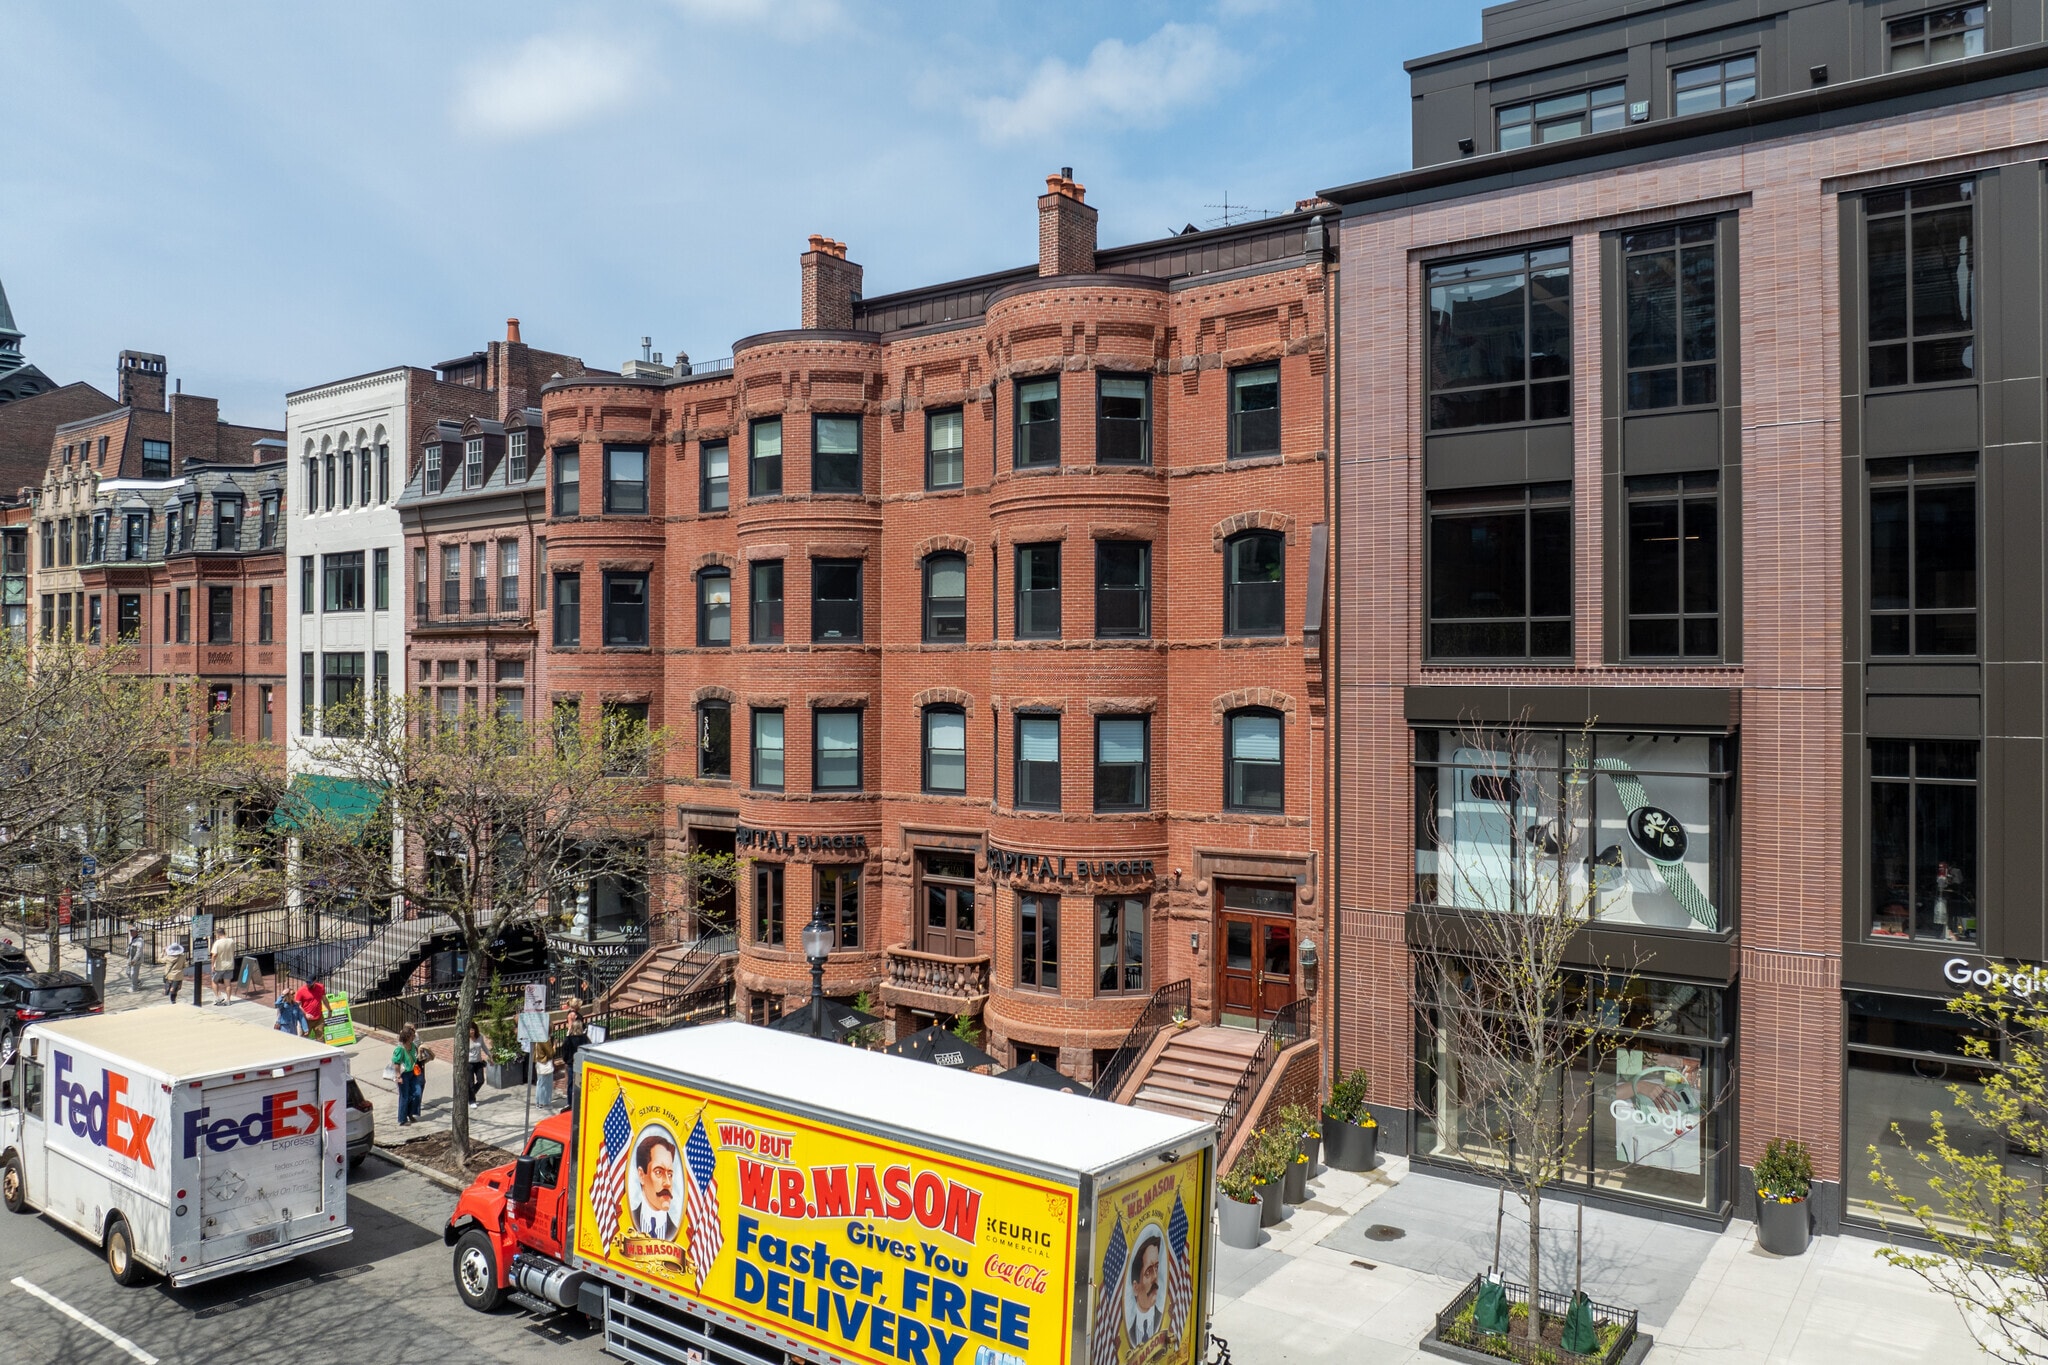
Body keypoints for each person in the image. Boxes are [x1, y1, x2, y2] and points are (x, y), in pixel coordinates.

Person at [629, 1132, 680, 1240]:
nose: (667, 1183)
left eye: (670, 1174)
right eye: (658, 1172)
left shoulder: (675, 1232)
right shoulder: (627, 1220)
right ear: (642, 1175)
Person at [1124, 1228, 1165, 1347]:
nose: (1155, 1277)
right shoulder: (1129, 1332)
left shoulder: (1162, 1319)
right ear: (1135, 1288)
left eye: (1156, 1268)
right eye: (1148, 1272)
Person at [558, 1001, 590, 1114]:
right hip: (581, 1063)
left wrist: (567, 1060)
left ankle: (570, 1103)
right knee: (581, 1083)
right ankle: (580, 1101)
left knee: (571, 1084)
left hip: (572, 1063)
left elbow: (565, 1053)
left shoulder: (568, 1040)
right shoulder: (585, 1039)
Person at [393, 1023, 428, 1126]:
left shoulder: (413, 1046)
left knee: (417, 1093)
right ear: (407, 1037)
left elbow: (416, 1057)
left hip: (413, 1073)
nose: (414, 1037)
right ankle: (402, 1119)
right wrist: (398, 1076)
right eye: (412, 1036)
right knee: (405, 1096)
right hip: (404, 1075)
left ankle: (411, 1112)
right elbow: (396, 1063)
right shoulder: (400, 1048)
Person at [209, 929, 237, 1006]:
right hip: (229, 964)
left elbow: (214, 955)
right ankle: (228, 999)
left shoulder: (217, 943)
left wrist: (212, 965)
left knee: (214, 981)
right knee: (228, 984)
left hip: (219, 966)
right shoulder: (231, 941)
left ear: (218, 934)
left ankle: (218, 997)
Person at [531, 1040, 556, 1111]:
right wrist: (554, 1046)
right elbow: (550, 1053)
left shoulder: (537, 1038)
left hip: (539, 1063)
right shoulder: (544, 1040)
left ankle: (539, 1102)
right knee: (545, 1084)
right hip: (544, 1064)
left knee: (540, 1084)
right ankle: (544, 1103)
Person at [466, 1022, 486, 1104]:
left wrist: (490, 1056)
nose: (472, 1031)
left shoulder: (480, 1037)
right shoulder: (466, 1039)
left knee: (481, 1080)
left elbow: (484, 1047)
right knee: (470, 1083)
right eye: (470, 1030)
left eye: (473, 1029)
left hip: (478, 1062)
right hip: (469, 1063)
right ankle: (472, 1100)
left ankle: (471, 1094)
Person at [125, 927, 144, 992]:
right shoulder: (131, 938)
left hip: (136, 960)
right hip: (130, 958)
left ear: (136, 932)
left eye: (132, 931)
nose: (131, 933)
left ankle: (134, 987)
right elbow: (129, 946)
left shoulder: (140, 940)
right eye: (130, 931)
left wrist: (135, 960)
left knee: (133, 974)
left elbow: (139, 951)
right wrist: (127, 951)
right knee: (128, 972)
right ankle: (138, 982)